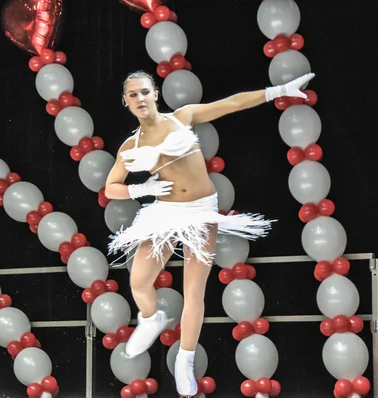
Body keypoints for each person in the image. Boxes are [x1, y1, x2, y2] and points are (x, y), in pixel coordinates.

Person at [104, 70, 314, 396]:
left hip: (200, 210)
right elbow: (110, 187)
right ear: (126, 102)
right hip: (164, 211)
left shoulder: (182, 118)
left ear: (155, 94)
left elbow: (230, 104)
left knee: (194, 290)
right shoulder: (130, 146)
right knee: (139, 282)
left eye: (145, 91)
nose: (140, 98)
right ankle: (150, 318)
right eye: (133, 94)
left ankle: (184, 360)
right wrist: (139, 189)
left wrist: (279, 90)